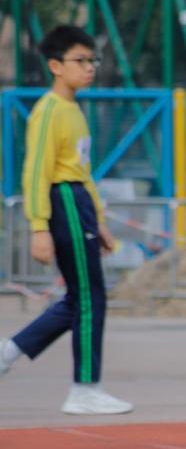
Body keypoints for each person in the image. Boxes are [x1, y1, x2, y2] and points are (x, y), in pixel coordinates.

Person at [0, 25, 132, 415]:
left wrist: (99, 220)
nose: (89, 67)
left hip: (80, 203)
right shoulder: (49, 111)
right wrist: (39, 226)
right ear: (55, 66)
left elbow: (83, 170)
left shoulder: (73, 110)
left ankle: (9, 352)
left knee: (80, 298)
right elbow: (36, 171)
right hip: (64, 202)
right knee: (90, 298)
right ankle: (85, 388)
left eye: (93, 60)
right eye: (80, 60)